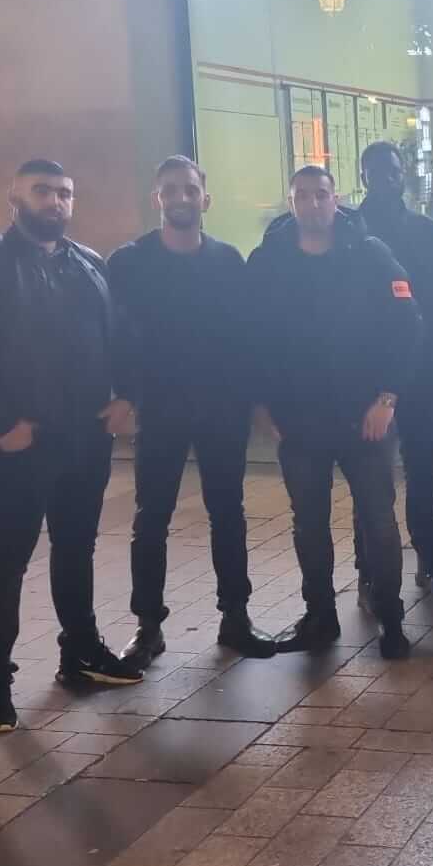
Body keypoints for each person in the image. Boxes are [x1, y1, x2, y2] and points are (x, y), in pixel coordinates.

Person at [0, 158, 142, 734]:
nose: (55, 201)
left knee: (76, 547)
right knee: (8, 557)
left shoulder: (90, 264)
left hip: (85, 435)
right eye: (42, 191)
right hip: (20, 441)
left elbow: (120, 337)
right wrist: (1, 421)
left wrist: (127, 396)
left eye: (64, 193)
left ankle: (80, 652)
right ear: (15, 198)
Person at [107, 156, 276, 668]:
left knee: (228, 512)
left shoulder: (228, 261)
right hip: (159, 406)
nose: (181, 197)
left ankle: (235, 617)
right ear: (157, 199)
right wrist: (124, 395)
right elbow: (113, 336)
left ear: (206, 198)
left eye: (189, 189)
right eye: (170, 190)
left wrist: (255, 400)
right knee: (151, 517)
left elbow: (248, 337)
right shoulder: (129, 262)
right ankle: (148, 626)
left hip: (222, 406)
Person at [246, 166, 419, 658]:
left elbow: (407, 327)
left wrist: (388, 398)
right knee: (309, 524)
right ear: (291, 202)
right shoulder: (269, 260)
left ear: (336, 198)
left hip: (366, 416)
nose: (313, 204)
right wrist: (260, 401)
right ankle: (320, 617)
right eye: (303, 196)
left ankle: (390, 618)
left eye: (321, 194)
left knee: (379, 521)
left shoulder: (370, 253)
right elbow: (249, 336)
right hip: (300, 419)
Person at [354, 142, 433, 592]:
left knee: (424, 470)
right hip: (367, 376)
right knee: (369, 478)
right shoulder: (348, 232)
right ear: (363, 177)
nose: (386, 179)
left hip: (423, 372)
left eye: (392, 171)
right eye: (376, 172)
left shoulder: (428, 233)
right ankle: (369, 568)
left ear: (403, 174)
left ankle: (430, 555)